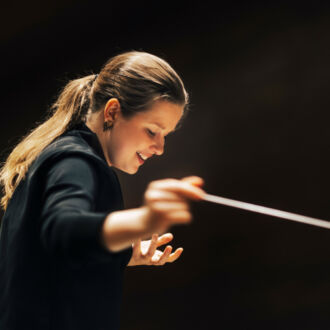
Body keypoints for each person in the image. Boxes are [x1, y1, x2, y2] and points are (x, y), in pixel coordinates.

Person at [0, 51, 205, 330]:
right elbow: (64, 230)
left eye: (164, 136)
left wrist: (124, 253)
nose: (160, 148)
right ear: (112, 112)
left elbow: (54, 258)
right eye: (152, 131)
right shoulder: (76, 160)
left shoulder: (60, 153)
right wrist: (144, 220)